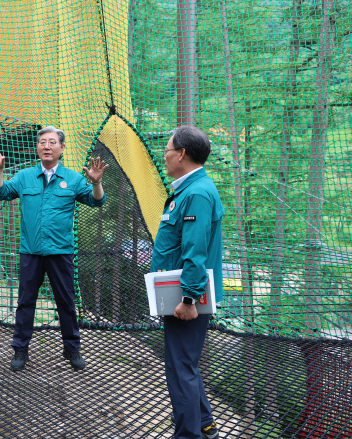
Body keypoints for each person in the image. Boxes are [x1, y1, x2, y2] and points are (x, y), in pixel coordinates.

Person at [0, 126, 108, 372]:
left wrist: (97, 183)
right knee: (25, 302)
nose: (46, 146)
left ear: (61, 148)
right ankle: (20, 349)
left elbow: (97, 201)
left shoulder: (73, 179)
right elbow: (0, 193)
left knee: (66, 302)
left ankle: (72, 348)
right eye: (42, 142)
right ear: (37, 148)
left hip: (61, 252)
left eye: (52, 142)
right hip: (30, 252)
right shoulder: (23, 177)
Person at [150, 125, 224, 439]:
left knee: (180, 369)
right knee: (185, 364)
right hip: (179, 295)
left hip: (187, 300)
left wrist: (190, 299)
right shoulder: (189, 190)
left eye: (167, 150)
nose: (164, 156)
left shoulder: (196, 193)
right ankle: (205, 424)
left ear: (181, 154)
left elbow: (196, 252)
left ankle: (188, 435)